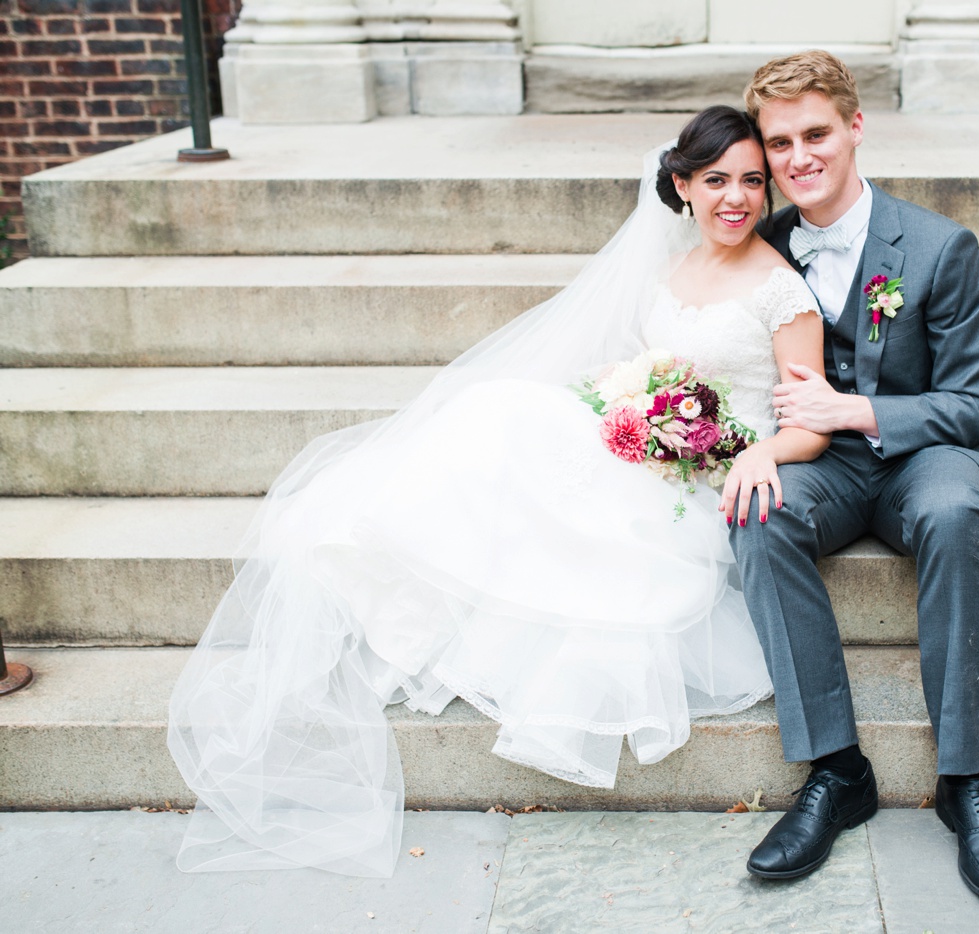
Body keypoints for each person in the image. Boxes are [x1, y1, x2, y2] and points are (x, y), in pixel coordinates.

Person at [166, 105, 827, 878]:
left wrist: (763, 454)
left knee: (565, 496)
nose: (735, 198)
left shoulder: (784, 292)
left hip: (711, 470)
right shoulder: (670, 268)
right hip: (645, 443)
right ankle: (394, 557)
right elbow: (646, 367)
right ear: (682, 186)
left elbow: (809, 422)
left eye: (752, 180)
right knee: (495, 410)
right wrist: (624, 405)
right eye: (716, 180)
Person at [731, 51, 979, 905]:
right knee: (757, 514)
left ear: (856, 129)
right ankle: (837, 771)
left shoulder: (940, 247)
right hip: (818, 468)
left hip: (921, 456)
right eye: (780, 142)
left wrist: (856, 413)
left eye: (816, 133)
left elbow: (974, 404)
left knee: (954, 514)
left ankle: (966, 783)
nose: (798, 157)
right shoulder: (762, 247)